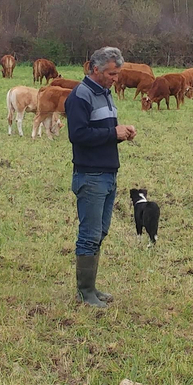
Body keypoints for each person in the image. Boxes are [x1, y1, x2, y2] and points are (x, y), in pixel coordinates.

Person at [65, 46, 137, 307]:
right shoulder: (80, 96)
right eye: (111, 73)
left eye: (117, 74)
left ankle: (92, 288)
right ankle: (85, 293)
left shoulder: (105, 94)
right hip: (90, 175)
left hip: (108, 173)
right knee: (89, 234)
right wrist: (112, 134)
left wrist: (121, 132)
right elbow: (78, 135)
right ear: (95, 69)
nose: (115, 79)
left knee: (100, 232)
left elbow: (104, 131)